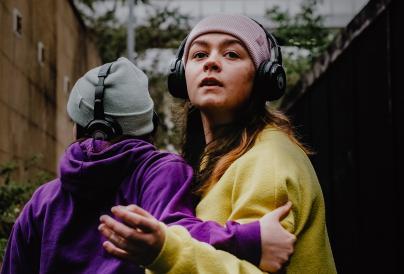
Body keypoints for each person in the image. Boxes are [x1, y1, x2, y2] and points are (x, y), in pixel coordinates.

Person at [0, 57, 295, 274]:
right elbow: (177, 236)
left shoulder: (42, 201)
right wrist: (252, 240)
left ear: (78, 127)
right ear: (149, 126)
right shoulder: (161, 171)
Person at [99, 14, 337, 273]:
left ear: (264, 77)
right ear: (181, 75)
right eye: (199, 55)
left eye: (232, 54)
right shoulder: (214, 160)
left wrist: (166, 253)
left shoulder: (269, 162)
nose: (211, 62)